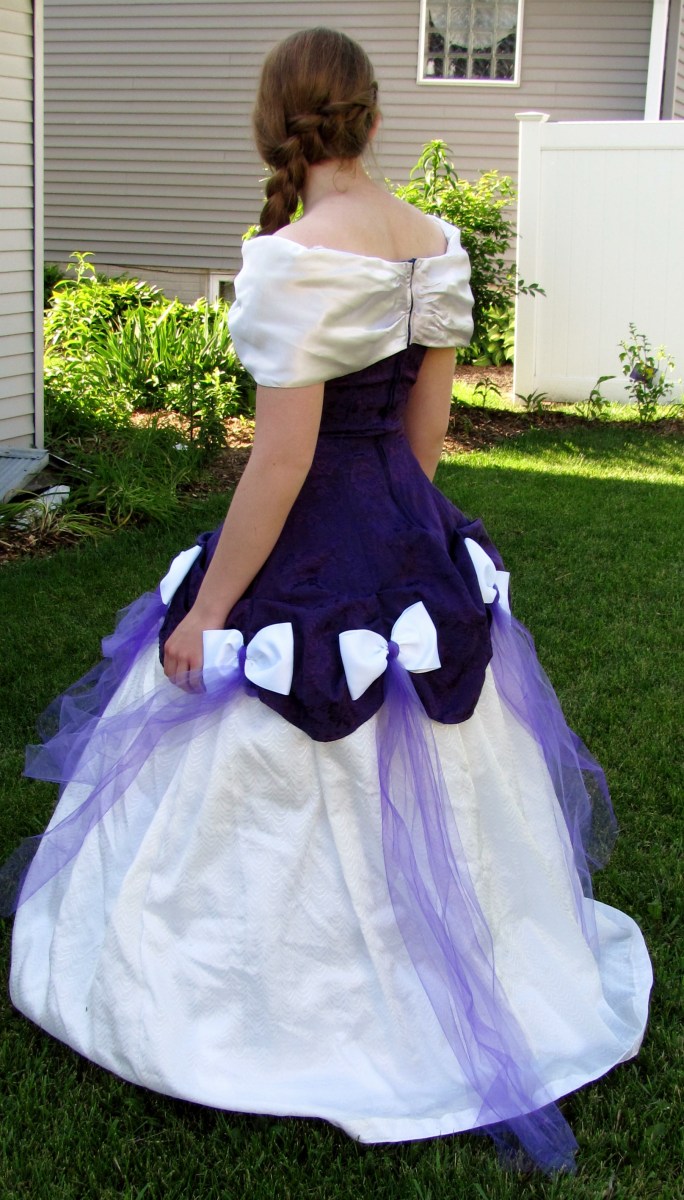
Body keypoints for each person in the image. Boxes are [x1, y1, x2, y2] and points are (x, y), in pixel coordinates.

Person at [4, 27, 651, 1175]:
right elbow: (425, 435)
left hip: (309, 537)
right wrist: (403, 539)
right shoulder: (434, 243)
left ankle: (273, 1006)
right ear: (370, 117)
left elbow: (283, 460)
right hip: (403, 523)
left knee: (267, 715)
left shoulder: (293, 256)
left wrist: (212, 609)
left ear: (275, 126)